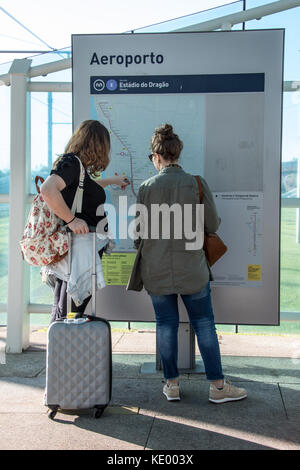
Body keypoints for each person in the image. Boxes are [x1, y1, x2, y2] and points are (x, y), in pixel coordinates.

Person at [128, 123, 247, 404]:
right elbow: (212, 223)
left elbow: (138, 233)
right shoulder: (196, 183)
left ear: (156, 157)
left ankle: (171, 385)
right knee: (204, 324)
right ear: (176, 154)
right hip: (193, 269)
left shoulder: (146, 188)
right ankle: (218, 387)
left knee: (165, 325)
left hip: (156, 270)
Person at [40, 119, 129, 322]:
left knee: (70, 306)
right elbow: (47, 189)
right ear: (97, 145)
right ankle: (63, 347)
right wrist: (71, 220)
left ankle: (65, 346)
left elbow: (84, 187)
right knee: (71, 308)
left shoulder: (76, 167)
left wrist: (112, 181)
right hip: (77, 250)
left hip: (80, 250)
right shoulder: (71, 163)